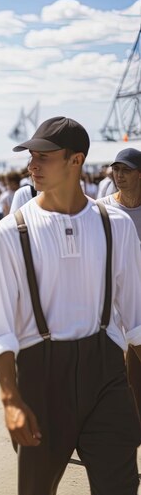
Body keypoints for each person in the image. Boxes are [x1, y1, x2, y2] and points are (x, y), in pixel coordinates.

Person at [0, 117, 141, 495]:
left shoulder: (117, 226)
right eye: (31, 156)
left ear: (76, 161)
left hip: (106, 372)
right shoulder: (11, 232)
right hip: (39, 375)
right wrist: (10, 399)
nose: (32, 165)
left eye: (43, 156)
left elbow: (134, 322)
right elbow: (0, 329)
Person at [98, 147, 141, 415]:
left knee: (134, 374)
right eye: (116, 169)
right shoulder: (102, 209)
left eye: (126, 170)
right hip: (115, 300)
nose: (119, 175)